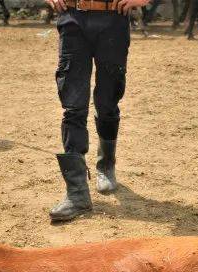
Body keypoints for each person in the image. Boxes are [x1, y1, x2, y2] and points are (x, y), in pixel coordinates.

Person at [46, 0, 150, 222]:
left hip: (113, 20)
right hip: (73, 18)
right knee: (73, 107)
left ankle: (106, 165)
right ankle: (77, 194)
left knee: (107, 102)